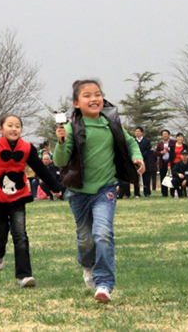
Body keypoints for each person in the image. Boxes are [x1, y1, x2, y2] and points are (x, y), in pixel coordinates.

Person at [54, 80, 144, 303]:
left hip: (106, 189)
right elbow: (60, 160)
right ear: (76, 103)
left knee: (102, 233)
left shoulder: (111, 123)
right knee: (85, 239)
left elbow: (130, 142)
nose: (94, 98)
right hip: (78, 192)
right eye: (86, 95)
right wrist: (61, 142)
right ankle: (87, 265)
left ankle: (104, 283)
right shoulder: (70, 127)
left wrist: (137, 157)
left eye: (97, 94)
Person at [0, 101, 61, 288]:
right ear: (1, 129)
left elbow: (40, 169)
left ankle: (24, 276)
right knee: (0, 234)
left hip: (18, 197)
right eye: (10, 126)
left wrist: (55, 186)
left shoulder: (27, 148)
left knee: (20, 235)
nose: (14, 129)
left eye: (17, 126)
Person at [155, 130, 176, 197]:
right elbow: (156, 152)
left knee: (171, 177)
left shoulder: (173, 142)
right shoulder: (160, 144)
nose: (165, 135)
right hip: (163, 162)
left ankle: (172, 193)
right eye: (163, 134)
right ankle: (164, 193)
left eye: (166, 134)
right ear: (162, 136)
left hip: (171, 162)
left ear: (169, 135)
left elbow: (175, 150)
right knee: (163, 178)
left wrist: (169, 149)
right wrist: (161, 153)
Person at [134, 127, 153, 198]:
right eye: (136, 131)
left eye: (138, 131)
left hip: (145, 161)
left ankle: (147, 192)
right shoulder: (133, 140)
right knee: (136, 177)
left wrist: (141, 156)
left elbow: (148, 150)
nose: (137, 133)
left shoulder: (147, 141)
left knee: (146, 177)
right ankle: (136, 193)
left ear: (142, 132)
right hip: (135, 161)